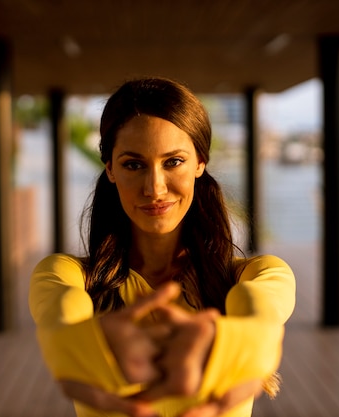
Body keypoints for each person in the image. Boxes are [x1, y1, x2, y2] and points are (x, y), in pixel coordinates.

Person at [29, 77, 296, 417]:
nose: (155, 188)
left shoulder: (262, 274)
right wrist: (84, 340)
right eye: (133, 164)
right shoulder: (65, 276)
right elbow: (60, 315)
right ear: (110, 168)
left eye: (173, 162)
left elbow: (261, 312)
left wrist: (234, 342)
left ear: (200, 162)